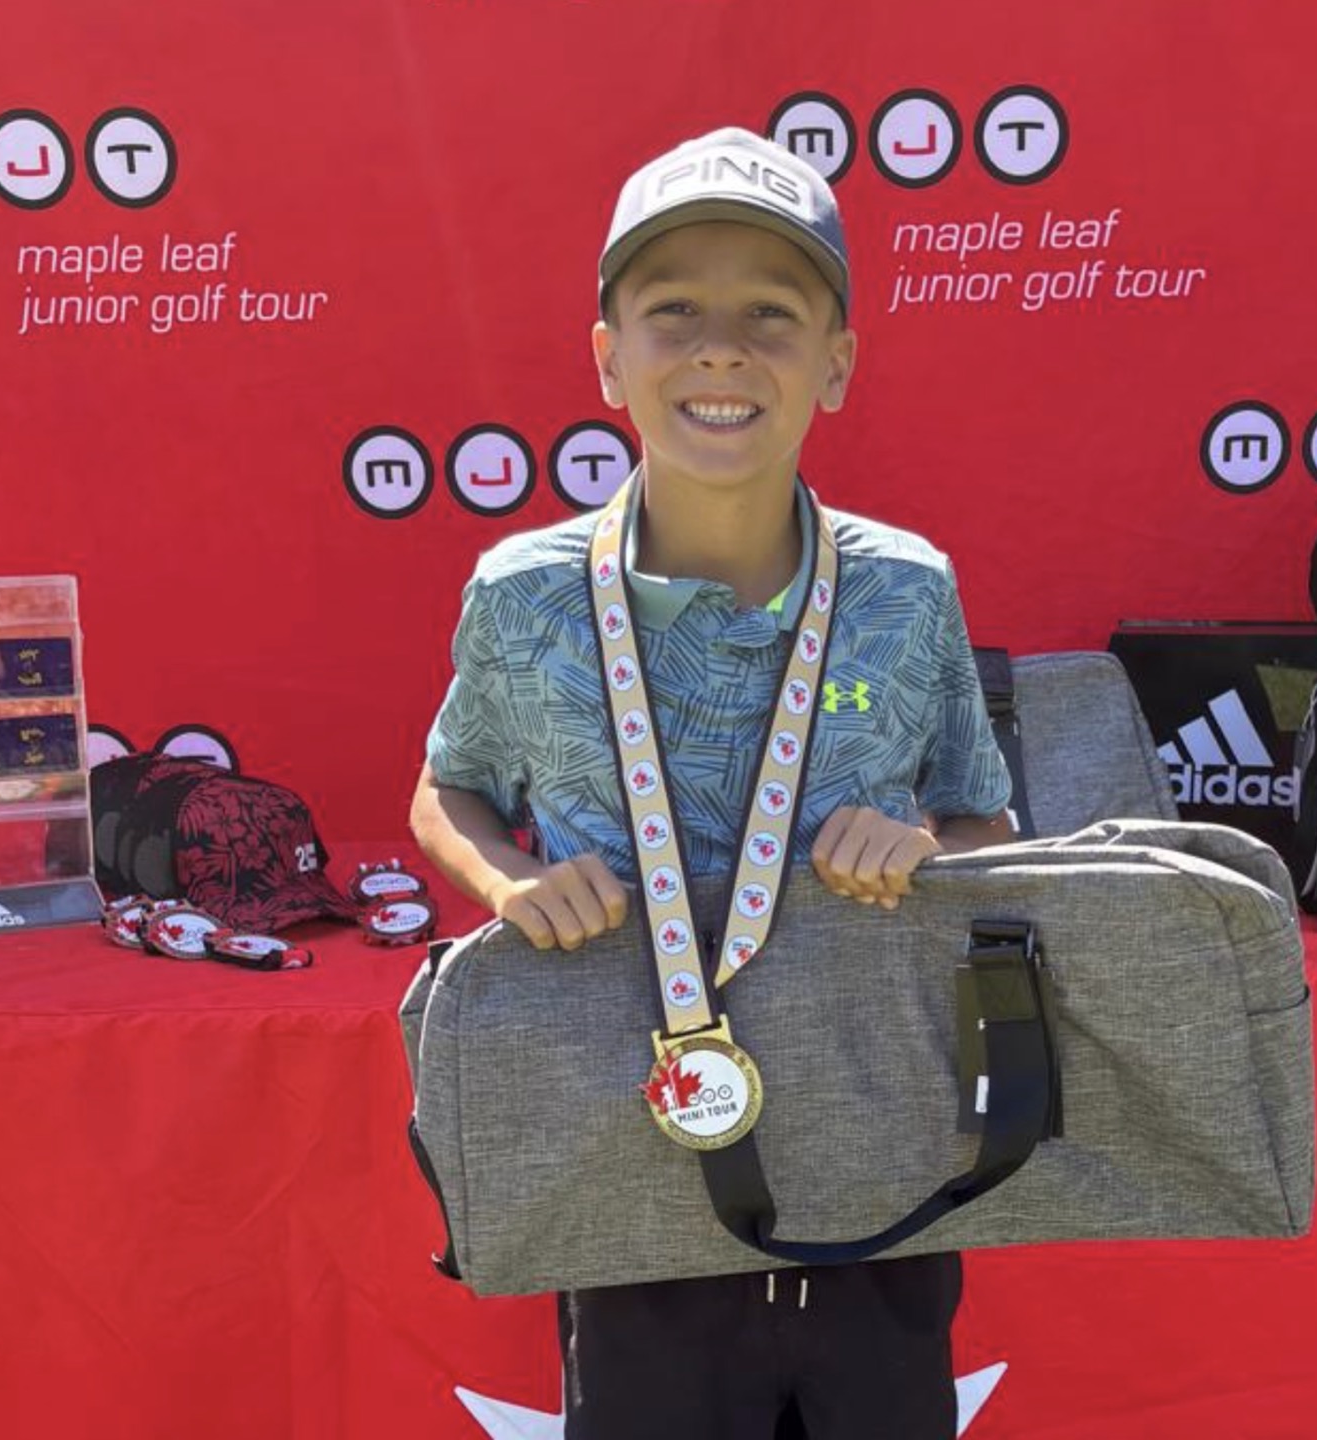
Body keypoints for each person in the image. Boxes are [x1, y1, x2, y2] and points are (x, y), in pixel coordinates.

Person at [409, 126, 1014, 1440]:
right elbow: (444, 791)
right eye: (674, 309)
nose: (721, 350)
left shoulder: (906, 590)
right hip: (627, 1170)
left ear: (836, 364)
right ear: (607, 358)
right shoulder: (525, 595)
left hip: (876, 1153)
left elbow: (984, 814)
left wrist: (925, 846)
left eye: (771, 314)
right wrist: (508, 882)